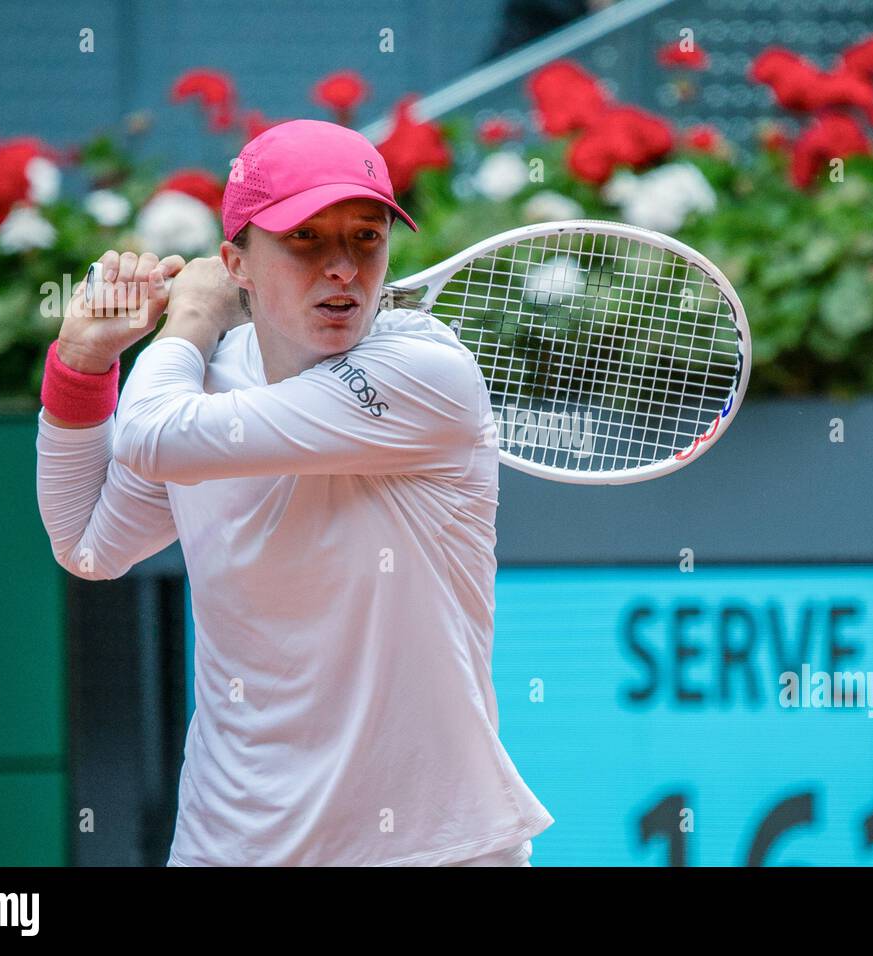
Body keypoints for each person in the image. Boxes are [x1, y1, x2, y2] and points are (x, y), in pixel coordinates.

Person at [35, 119, 553, 866]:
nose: (343, 267)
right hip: (228, 847)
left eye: (366, 238)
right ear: (236, 262)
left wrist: (188, 322)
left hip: (433, 851)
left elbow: (151, 433)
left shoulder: (425, 369)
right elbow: (88, 544)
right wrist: (81, 364)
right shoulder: (201, 385)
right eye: (306, 239)